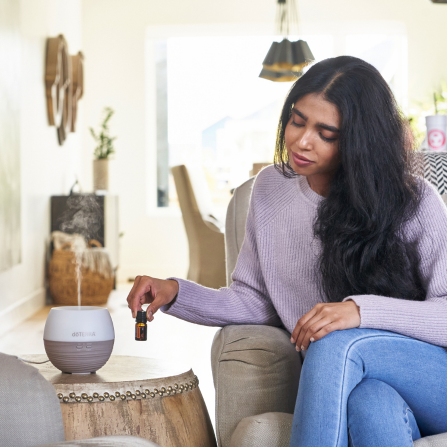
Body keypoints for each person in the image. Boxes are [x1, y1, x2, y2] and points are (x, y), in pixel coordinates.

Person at [127, 56, 447, 447]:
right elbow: (254, 300)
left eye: (326, 133)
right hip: (368, 387)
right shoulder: (269, 190)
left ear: (360, 140)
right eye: (298, 121)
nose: (301, 140)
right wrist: (176, 292)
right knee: (370, 407)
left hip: (433, 377)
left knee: (332, 340)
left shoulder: (416, 201)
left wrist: (358, 312)